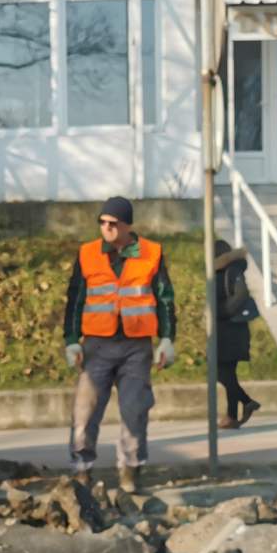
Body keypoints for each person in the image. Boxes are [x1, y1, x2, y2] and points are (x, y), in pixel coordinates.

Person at [62, 196, 175, 494]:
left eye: (113, 223)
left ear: (127, 225)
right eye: (102, 222)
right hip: (96, 345)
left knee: (134, 410)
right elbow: (75, 298)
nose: (107, 228)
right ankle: (82, 472)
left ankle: (130, 472)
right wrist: (71, 340)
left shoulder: (151, 253)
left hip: (136, 347)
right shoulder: (88, 253)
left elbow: (164, 297)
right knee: (85, 411)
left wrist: (167, 338)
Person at [213, 238, 261, 429]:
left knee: (220, 373)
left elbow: (241, 295)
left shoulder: (232, 270)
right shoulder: (220, 272)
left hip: (232, 330)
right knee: (228, 374)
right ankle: (232, 416)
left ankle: (247, 401)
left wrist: (221, 312)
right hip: (224, 329)